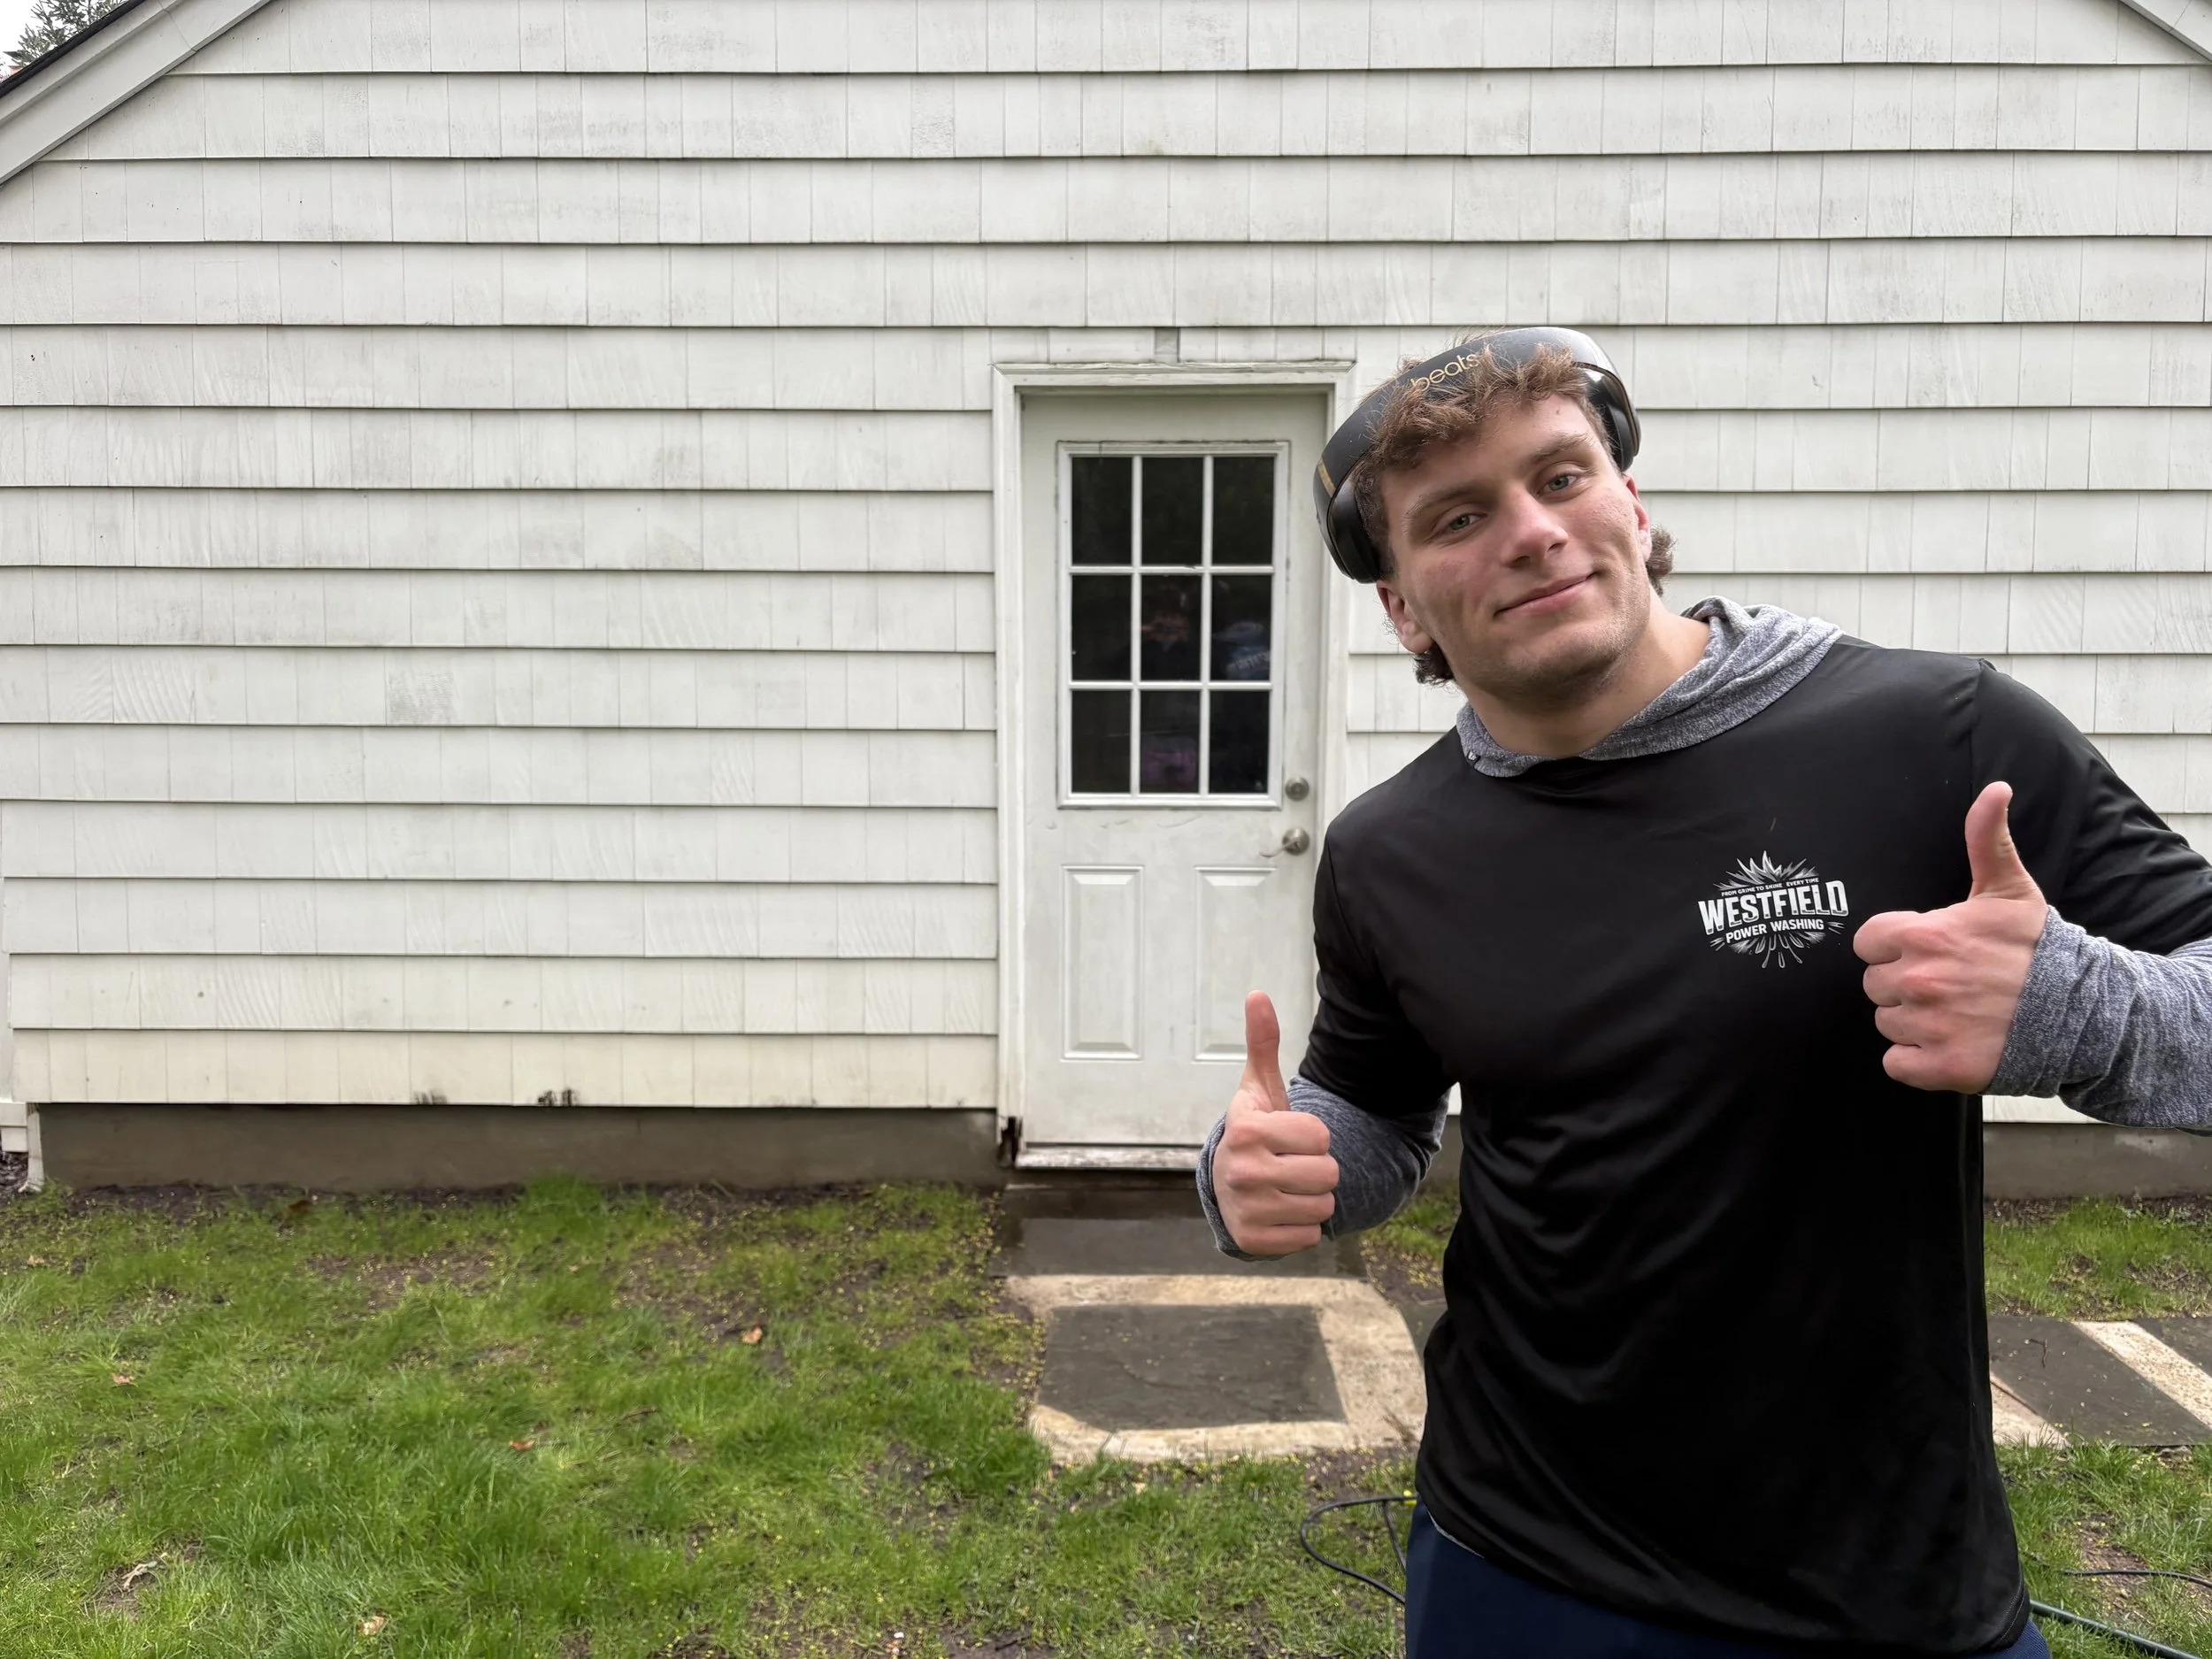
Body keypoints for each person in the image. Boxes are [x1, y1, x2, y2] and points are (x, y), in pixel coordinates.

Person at [1196, 328, 2212, 1657]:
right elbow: (1374, 1106)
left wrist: (2085, 1012)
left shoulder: (1938, 736)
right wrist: (1279, 1160)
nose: (1531, 532)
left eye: (1560, 478)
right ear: (1403, 607)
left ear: (1632, 504)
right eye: (1458, 517)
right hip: (1510, 1557)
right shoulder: (1393, 851)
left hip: (1881, 1586)